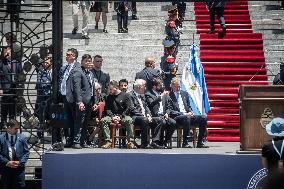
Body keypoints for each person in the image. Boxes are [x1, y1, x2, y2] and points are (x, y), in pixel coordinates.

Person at [65, 54, 97, 149]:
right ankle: (76, 142)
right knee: (79, 122)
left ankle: (83, 142)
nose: (88, 62)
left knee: (85, 122)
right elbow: (77, 88)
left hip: (89, 101)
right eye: (86, 61)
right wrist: (79, 102)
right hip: (81, 102)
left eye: (89, 61)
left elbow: (92, 88)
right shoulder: (78, 71)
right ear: (82, 61)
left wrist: (94, 102)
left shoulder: (90, 73)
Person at [168, 78, 209, 148]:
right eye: (177, 86)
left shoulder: (184, 94)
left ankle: (200, 142)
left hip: (188, 116)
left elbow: (188, 106)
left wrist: (190, 111)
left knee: (203, 118)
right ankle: (185, 142)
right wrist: (183, 114)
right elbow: (170, 110)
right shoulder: (169, 95)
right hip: (177, 117)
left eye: (179, 86)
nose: (178, 88)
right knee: (186, 117)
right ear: (172, 86)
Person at [100, 80, 136, 149]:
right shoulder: (108, 97)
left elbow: (129, 108)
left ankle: (130, 142)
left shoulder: (126, 95)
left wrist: (120, 116)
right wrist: (113, 117)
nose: (109, 91)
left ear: (116, 88)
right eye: (108, 89)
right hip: (112, 116)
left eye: (110, 89)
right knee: (104, 120)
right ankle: (108, 141)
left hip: (123, 115)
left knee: (129, 120)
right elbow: (108, 109)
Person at [129, 79, 164, 148]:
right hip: (135, 117)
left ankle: (155, 141)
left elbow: (146, 107)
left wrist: (148, 114)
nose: (145, 88)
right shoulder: (130, 95)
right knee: (144, 119)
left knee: (159, 120)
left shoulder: (142, 95)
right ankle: (145, 143)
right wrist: (143, 115)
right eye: (144, 86)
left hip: (144, 116)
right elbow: (132, 109)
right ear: (139, 87)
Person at [145, 78, 176, 148]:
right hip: (154, 116)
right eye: (160, 85)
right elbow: (151, 103)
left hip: (164, 115)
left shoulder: (165, 95)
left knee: (173, 122)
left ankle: (166, 141)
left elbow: (168, 107)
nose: (162, 86)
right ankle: (155, 142)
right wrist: (160, 96)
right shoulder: (148, 94)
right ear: (154, 86)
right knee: (162, 121)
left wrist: (167, 113)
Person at [0, 119, 29, 189]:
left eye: (18, 129)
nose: (17, 130)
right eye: (15, 128)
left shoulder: (22, 137)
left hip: (19, 169)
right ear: (9, 128)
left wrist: (20, 162)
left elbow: (26, 152)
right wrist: (7, 162)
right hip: (6, 169)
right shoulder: (1, 138)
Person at [0, 46, 23, 130]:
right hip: (5, 89)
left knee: (12, 109)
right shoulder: (1, 63)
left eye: (8, 51)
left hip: (14, 89)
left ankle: (12, 124)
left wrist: (19, 85)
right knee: (4, 108)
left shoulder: (16, 63)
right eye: (5, 52)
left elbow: (21, 75)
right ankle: (3, 124)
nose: (6, 53)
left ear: (11, 52)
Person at [34, 56, 53, 142]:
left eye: (47, 62)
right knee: (41, 117)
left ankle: (54, 136)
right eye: (44, 62)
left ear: (51, 63)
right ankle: (40, 137)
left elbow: (55, 83)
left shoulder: (54, 72)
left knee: (52, 117)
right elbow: (40, 83)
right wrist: (49, 82)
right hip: (42, 98)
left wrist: (48, 82)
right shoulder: (41, 72)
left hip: (51, 98)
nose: (45, 64)